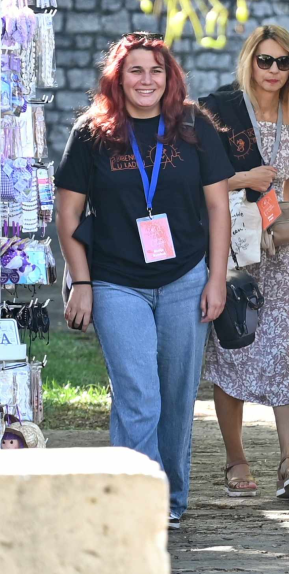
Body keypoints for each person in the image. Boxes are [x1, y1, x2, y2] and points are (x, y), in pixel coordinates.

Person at [55, 33, 234, 530]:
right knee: (139, 396)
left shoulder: (195, 127)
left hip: (184, 279)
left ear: (169, 77)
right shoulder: (93, 133)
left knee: (177, 398)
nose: (146, 81)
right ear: (118, 78)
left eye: (156, 70)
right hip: (116, 282)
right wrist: (82, 283)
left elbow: (219, 207)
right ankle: (135, 505)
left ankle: (172, 500)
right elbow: (67, 213)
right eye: (135, 71)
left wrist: (216, 278)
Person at [201, 25, 289, 500]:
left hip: (281, 255)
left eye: (283, 62)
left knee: (288, 351)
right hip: (231, 251)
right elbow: (202, 182)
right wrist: (245, 177)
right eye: (264, 60)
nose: (273, 70)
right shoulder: (218, 113)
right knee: (235, 347)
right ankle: (236, 458)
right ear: (249, 60)